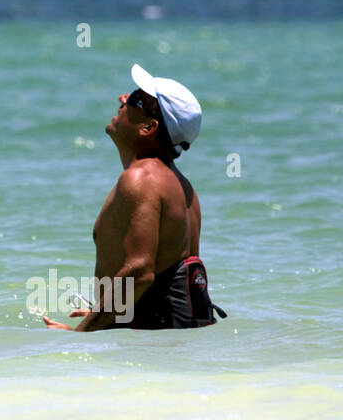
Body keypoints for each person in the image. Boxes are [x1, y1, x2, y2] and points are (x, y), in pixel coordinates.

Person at [43, 64, 226, 332]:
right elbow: (167, 278)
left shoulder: (142, 178)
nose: (122, 99)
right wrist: (105, 313)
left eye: (135, 98)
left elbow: (140, 272)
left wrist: (79, 334)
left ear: (148, 127)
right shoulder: (183, 187)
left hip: (155, 344)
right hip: (167, 339)